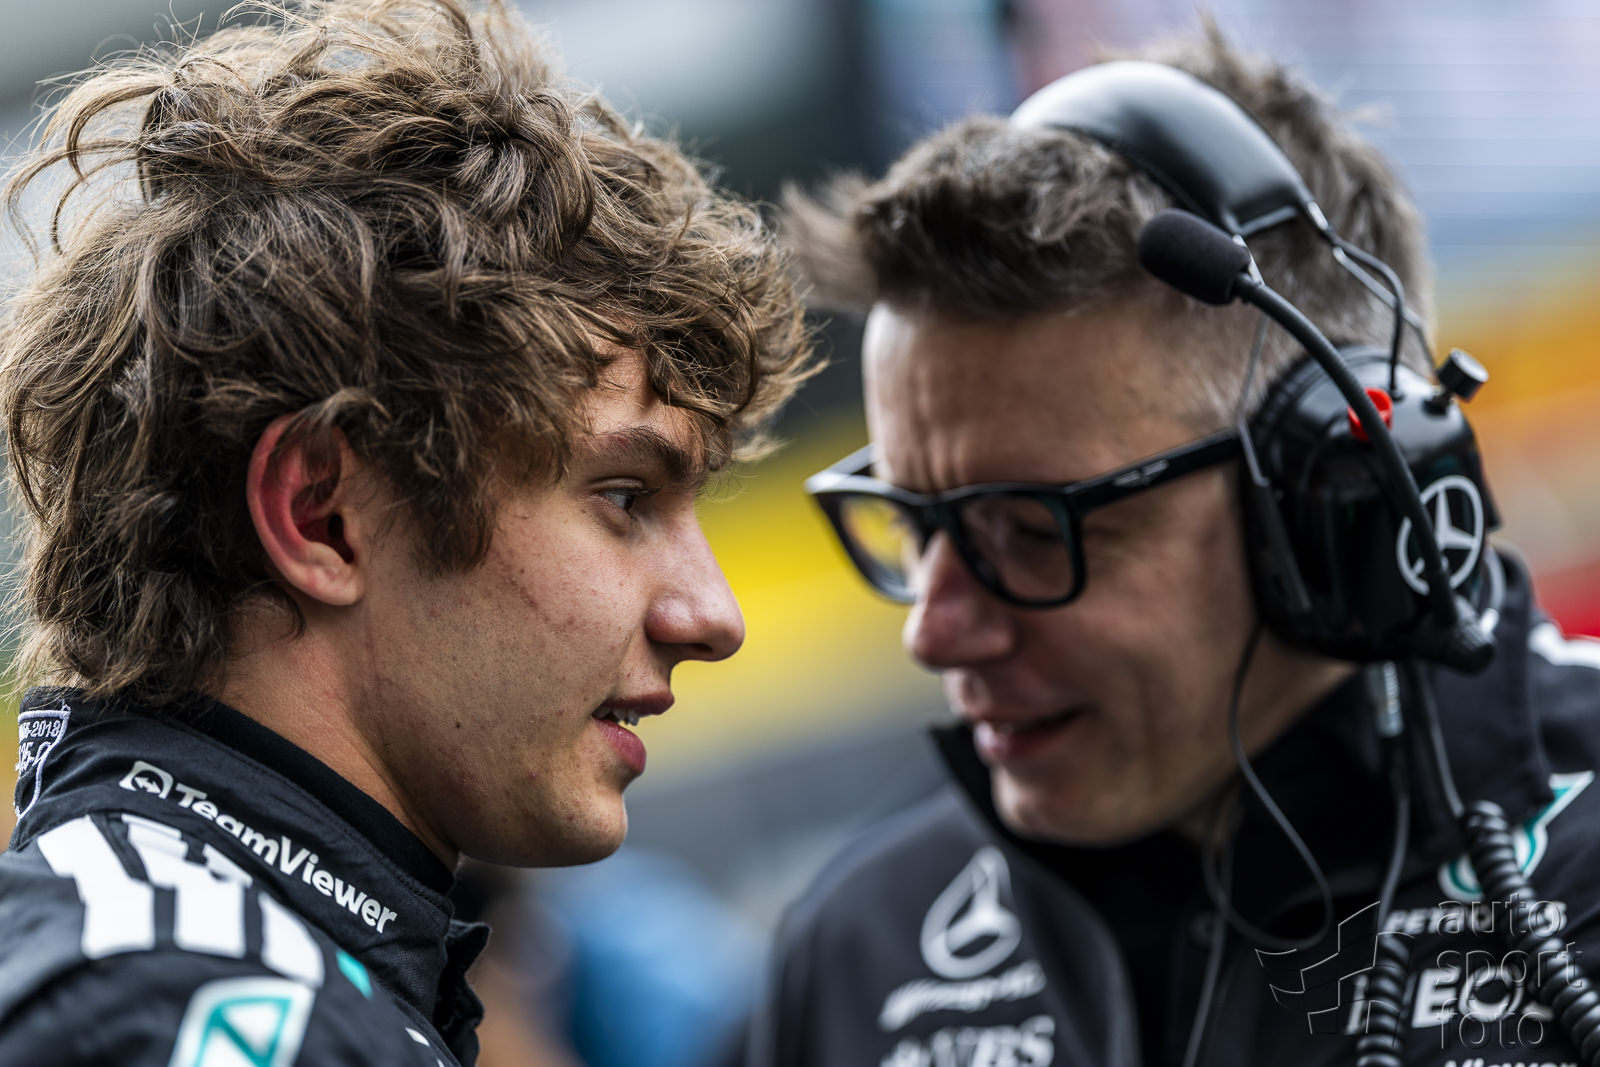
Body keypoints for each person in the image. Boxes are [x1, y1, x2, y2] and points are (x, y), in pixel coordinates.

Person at [753, 25, 1600, 1067]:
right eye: (912, 522)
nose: (933, 630)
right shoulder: (862, 947)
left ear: (1339, 490)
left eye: (1031, 528)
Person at [0, 1, 813, 1064]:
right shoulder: (193, 1006)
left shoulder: (207, 956)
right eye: (623, 498)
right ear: (322, 516)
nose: (712, 615)